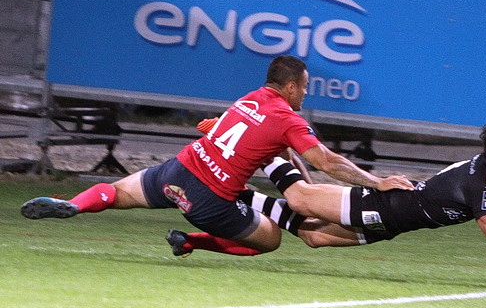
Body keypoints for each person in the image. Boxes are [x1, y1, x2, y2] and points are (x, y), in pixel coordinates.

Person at [20, 55, 413, 256]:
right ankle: (192, 240)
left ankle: (71, 204)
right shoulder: (287, 118)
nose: (306, 93)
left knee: (118, 193)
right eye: (305, 87)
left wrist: (296, 173)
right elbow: (329, 160)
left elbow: (244, 137)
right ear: (291, 86)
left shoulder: (250, 99)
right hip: (210, 199)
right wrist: (378, 181)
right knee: (272, 239)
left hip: (177, 170)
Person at [169, 118, 486, 294]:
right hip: (379, 206)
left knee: (312, 236)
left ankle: (241, 194)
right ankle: (254, 146)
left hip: (392, 225)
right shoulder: (482, 185)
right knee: (298, 197)